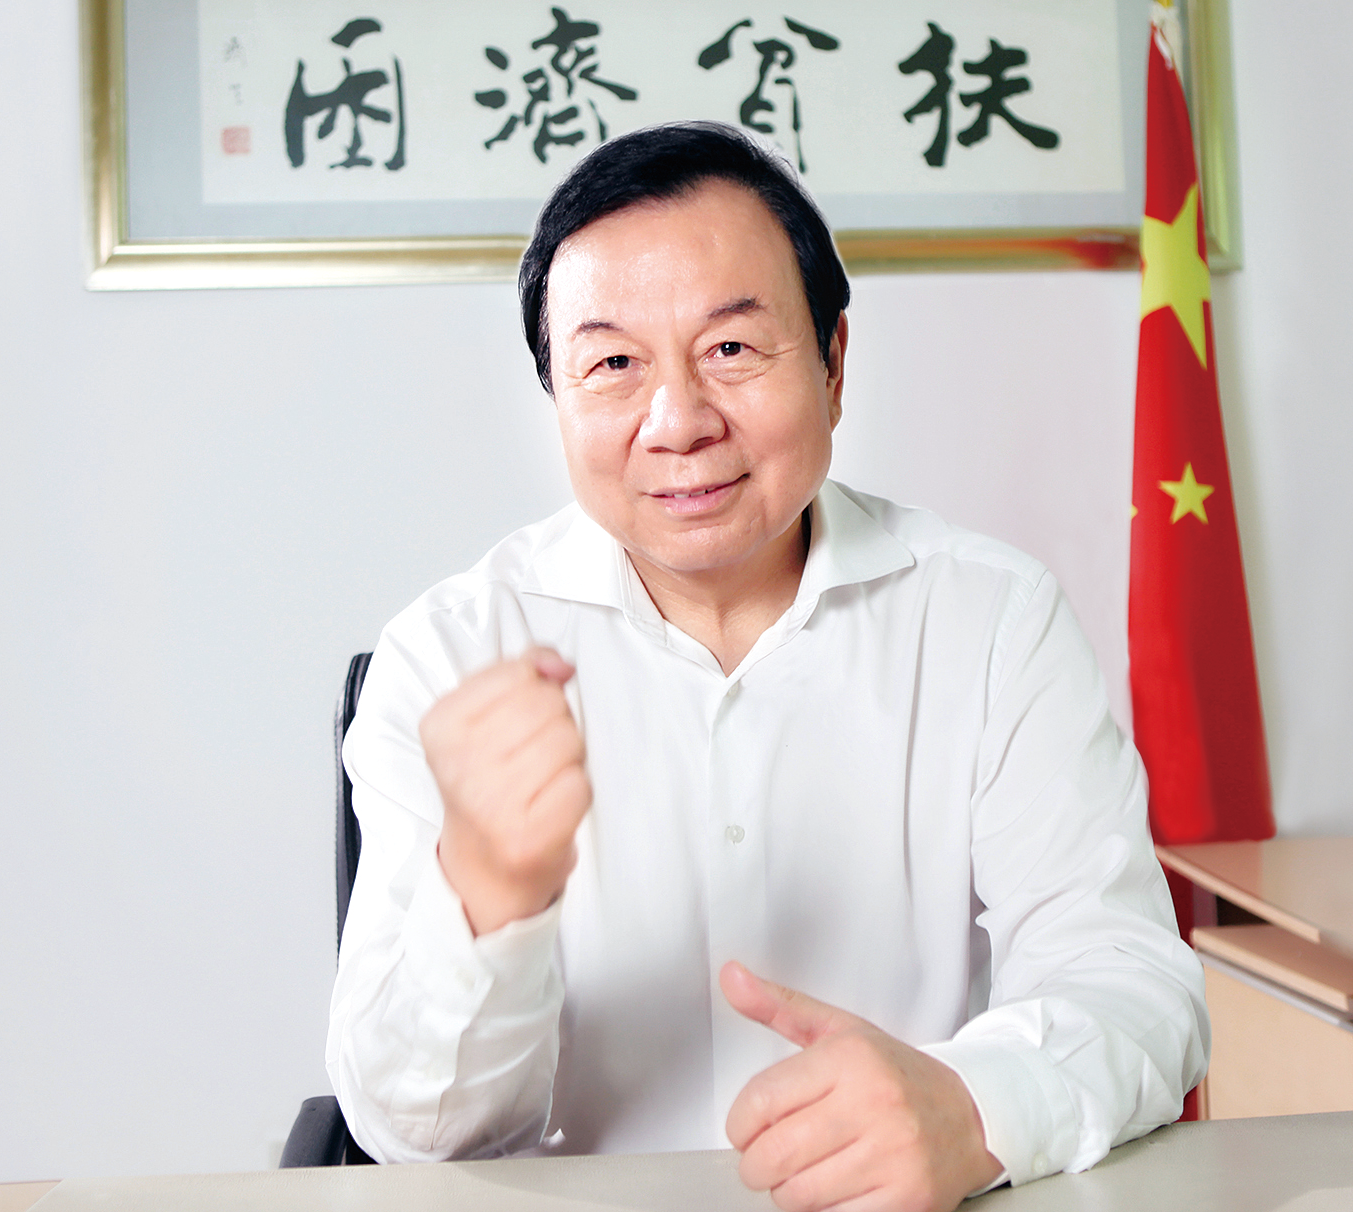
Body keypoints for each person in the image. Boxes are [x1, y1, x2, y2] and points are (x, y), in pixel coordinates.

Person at [328, 122, 1208, 1211]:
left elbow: (1131, 982)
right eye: (612, 365)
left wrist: (974, 1109)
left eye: (733, 349)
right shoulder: (452, 656)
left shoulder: (988, 619)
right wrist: (488, 896)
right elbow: (409, 1134)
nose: (678, 423)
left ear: (834, 365)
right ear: (556, 397)